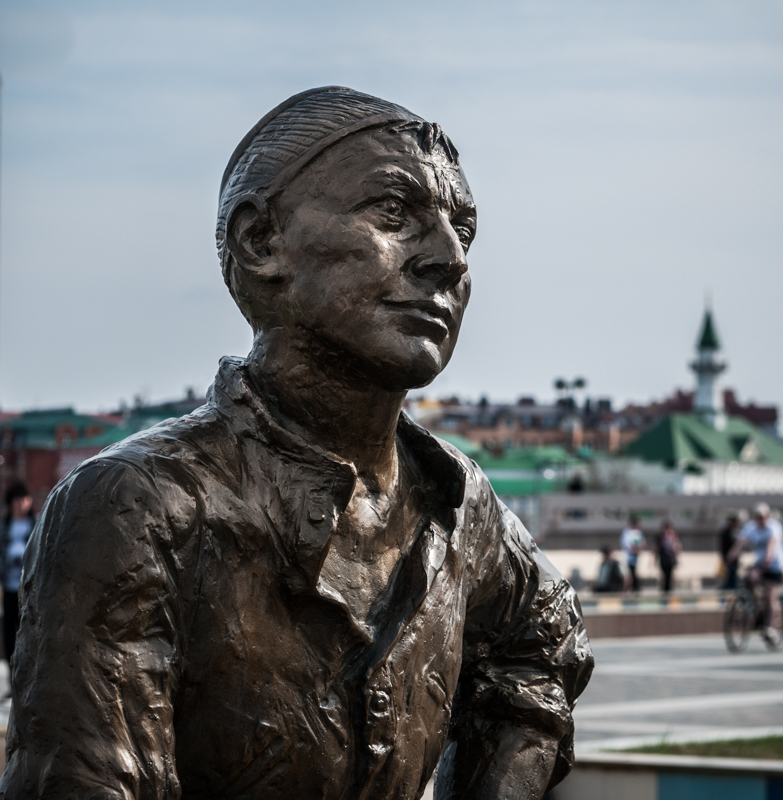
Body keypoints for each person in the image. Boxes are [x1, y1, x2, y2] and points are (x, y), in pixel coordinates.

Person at [1, 88, 593, 800]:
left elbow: (544, 643)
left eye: (463, 228)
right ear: (261, 242)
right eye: (393, 212)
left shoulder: (459, 505)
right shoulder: (136, 510)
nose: (449, 258)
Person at [727, 502, 783, 644]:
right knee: (749, 578)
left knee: (770, 596)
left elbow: (771, 544)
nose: (760, 519)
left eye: (763, 517)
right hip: (760, 562)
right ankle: (754, 608)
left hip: (775, 564)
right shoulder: (750, 527)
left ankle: (771, 627)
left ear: (767, 516)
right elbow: (740, 543)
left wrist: (767, 559)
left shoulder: (774, 527)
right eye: (758, 517)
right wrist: (730, 557)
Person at [1, 482, 35, 695]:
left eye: (25, 498)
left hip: (30, 589)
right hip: (8, 588)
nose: (21, 503)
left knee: (30, 635)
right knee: (9, 636)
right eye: (17, 499)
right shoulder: (4, 527)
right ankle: (13, 683)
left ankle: (28, 683)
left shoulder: (36, 524)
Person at [719, 510, 745, 591]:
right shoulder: (725, 533)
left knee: (734, 578)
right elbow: (723, 547)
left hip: (734, 560)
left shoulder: (737, 532)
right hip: (728, 559)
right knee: (728, 578)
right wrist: (726, 559)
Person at [654, 521, 681, 595]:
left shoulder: (673, 538)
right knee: (664, 575)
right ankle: (664, 591)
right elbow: (657, 549)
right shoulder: (660, 538)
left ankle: (668, 591)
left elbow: (677, 549)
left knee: (669, 576)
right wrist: (655, 560)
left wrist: (677, 558)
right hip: (663, 558)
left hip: (671, 559)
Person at [621, 514, 645, 592]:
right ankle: (626, 591)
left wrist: (637, 549)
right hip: (628, 557)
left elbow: (642, 544)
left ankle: (634, 589)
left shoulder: (638, 532)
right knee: (628, 575)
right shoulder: (627, 532)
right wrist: (635, 548)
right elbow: (627, 545)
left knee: (634, 574)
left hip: (635, 557)